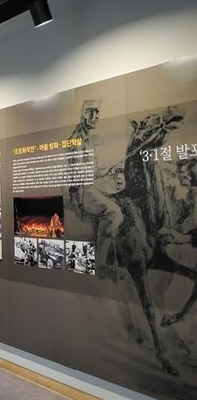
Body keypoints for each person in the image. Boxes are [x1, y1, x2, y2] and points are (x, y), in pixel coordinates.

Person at [67, 99, 124, 277]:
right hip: (81, 192)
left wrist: (110, 169)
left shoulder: (88, 140)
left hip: (89, 186)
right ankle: (100, 264)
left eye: (97, 113)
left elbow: (93, 170)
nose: (96, 117)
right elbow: (79, 173)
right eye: (92, 113)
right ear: (84, 115)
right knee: (113, 213)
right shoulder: (76, 140)